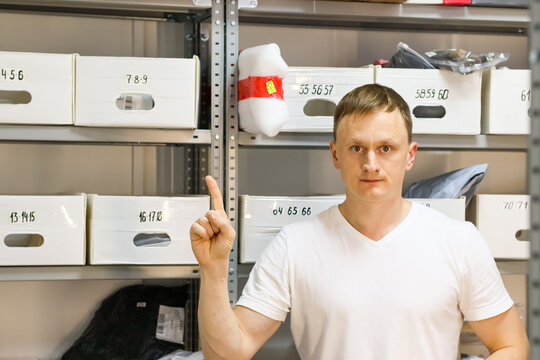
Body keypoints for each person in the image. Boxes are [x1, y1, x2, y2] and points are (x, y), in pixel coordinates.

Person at [190, 84, 529, 360]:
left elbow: (511, 345)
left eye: (385, 148)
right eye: (356, 148)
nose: (371, 163)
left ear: (409, 155)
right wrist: (214, 268)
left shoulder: (458, 241)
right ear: (335, 154)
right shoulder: (295, 245)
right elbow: (227, 355)